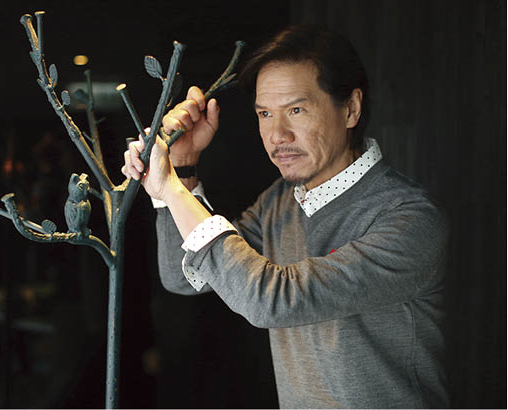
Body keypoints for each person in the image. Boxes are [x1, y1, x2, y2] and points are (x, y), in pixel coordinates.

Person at [122, 24, 448, 409]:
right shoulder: (279, 201)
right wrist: (183, 168)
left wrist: (171, 190)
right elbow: (185, 278)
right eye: (265, 113)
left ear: (350, 109)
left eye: (296, 110)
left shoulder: (409, 218)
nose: (277, 134)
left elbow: (272, 301)